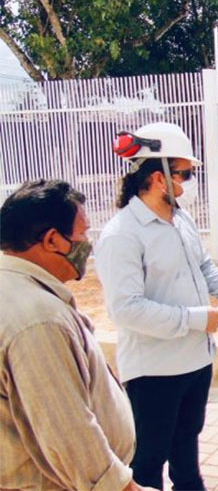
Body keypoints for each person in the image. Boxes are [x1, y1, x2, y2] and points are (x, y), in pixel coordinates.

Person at [96, 122, 218, 490]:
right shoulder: (121, 236)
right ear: (158, 177)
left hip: (197, 362)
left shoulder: (181, 218)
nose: (190, 181)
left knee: (187, 454)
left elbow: (202, 264)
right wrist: (199, 319)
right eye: (185, 173)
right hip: (155, 373)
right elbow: (127, 309)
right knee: (149, 463)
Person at [0, 180, 154, 491]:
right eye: (83, 234)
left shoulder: (16, 289)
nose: (88, 244)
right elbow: (68, 429)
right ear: (53, 240)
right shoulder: (38, 320)